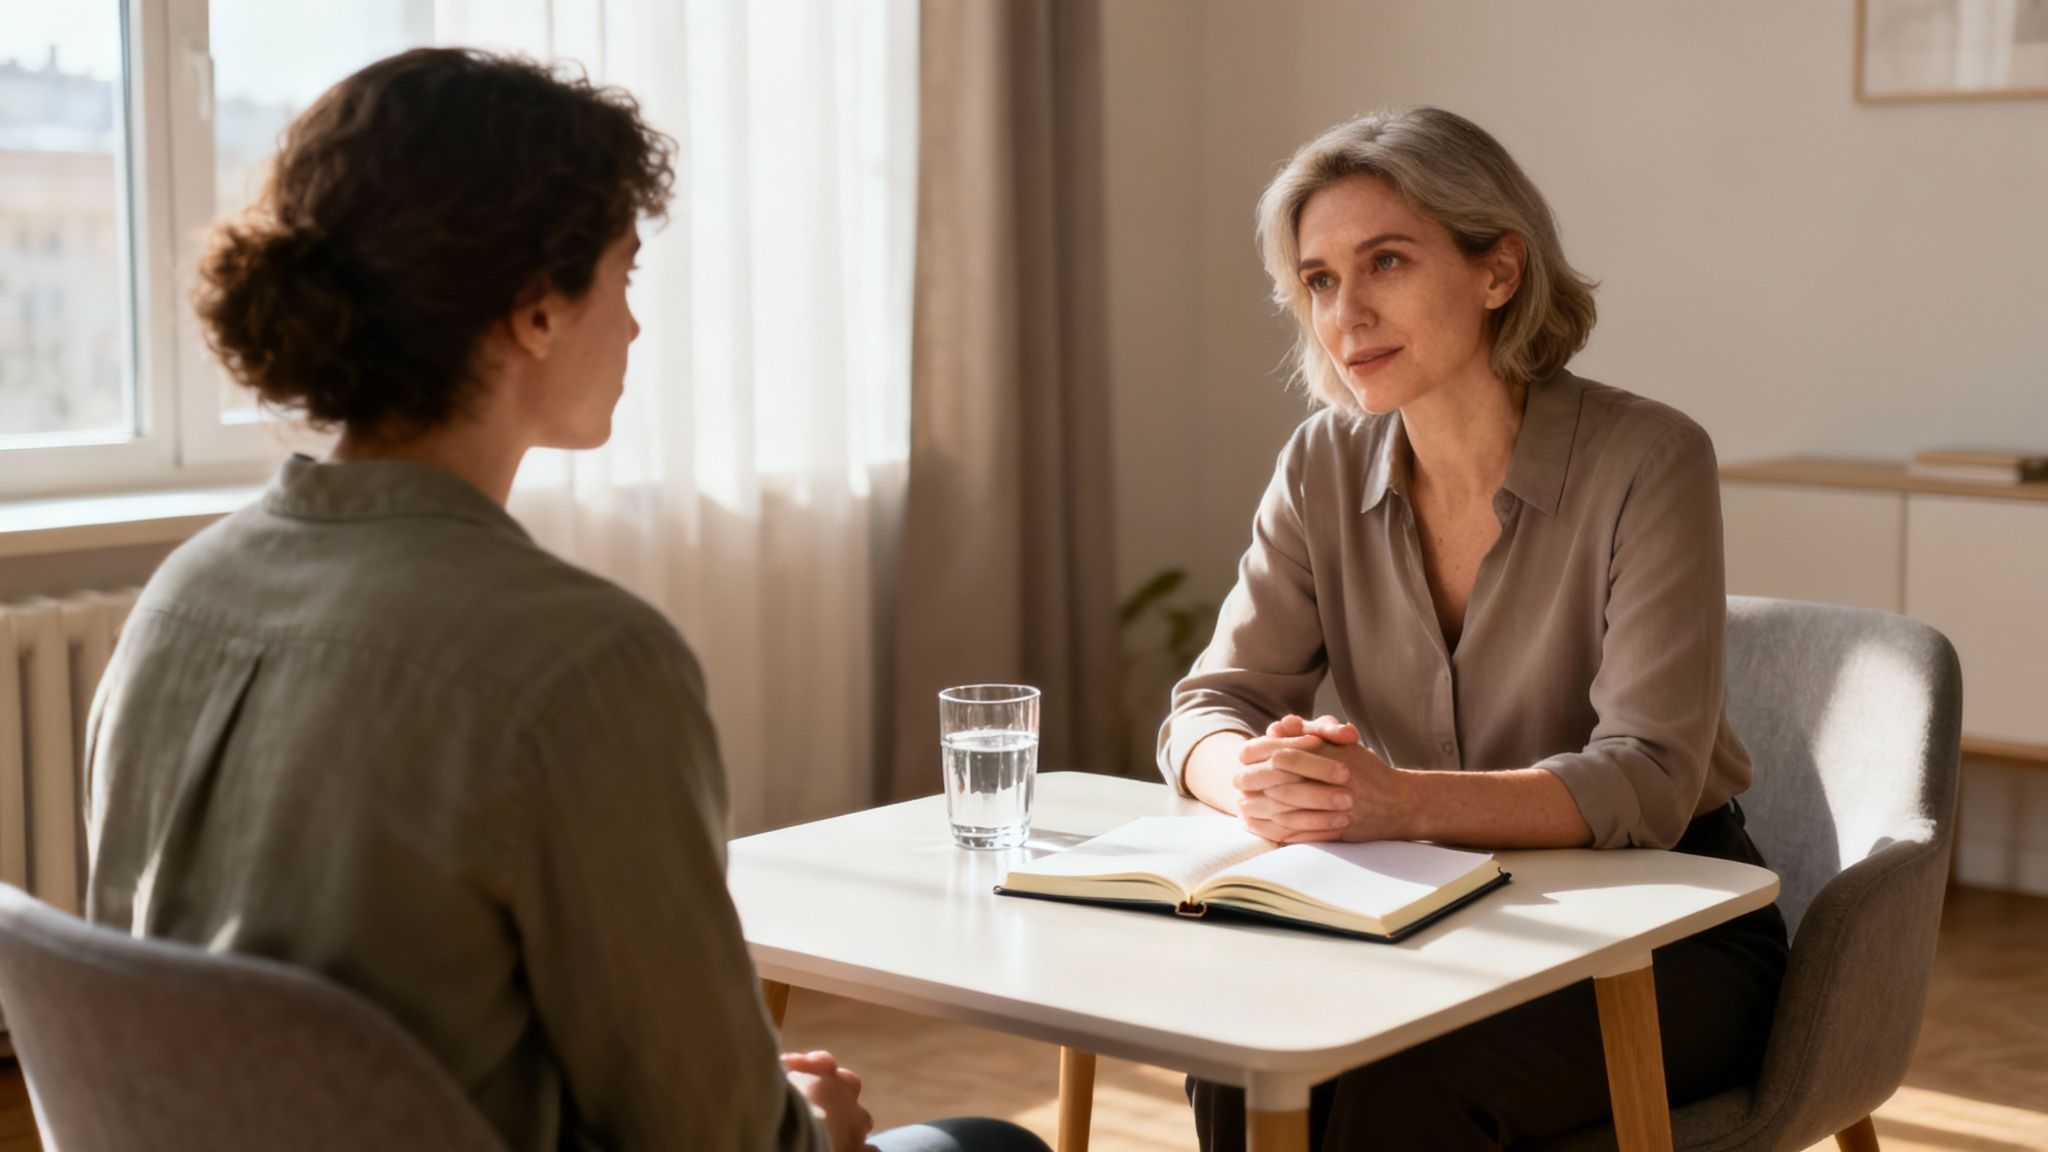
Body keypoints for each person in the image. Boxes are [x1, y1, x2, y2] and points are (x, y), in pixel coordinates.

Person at [82, 47, 1045, 1152]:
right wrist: (808, 1125)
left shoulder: (181, 598)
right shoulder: (581, 663)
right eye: (624, 275)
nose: (633, 326)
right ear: (535, 310)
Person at [1156, 106, 1788, 1151]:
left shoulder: (1649, 458)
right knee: (1243, 1053)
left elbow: (1646, 774)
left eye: (1386, 262)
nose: (1345, 313)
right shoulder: (1319, 465)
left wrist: (1392, 801)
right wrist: (1254, 783)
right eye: (1317, 280)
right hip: (1436, 911)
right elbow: (1209, 706)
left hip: (1661, 936)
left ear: (1497, 271)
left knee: (1392, 1087)